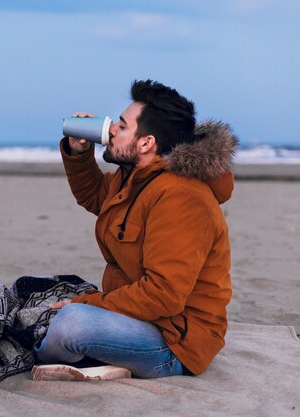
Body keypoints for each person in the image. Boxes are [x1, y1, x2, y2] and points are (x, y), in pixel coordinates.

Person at [34, 79, 237, 378]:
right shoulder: (136, 176)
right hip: (141, 318)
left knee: (71, 323)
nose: (111, 130)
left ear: (146, 142)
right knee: (51, 294)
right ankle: (96, 356)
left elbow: (163, 296)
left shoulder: (181, 197)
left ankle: (40, 353)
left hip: (175, 340)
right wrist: (79, 154)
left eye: (122, 125)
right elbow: (96, 197)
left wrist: (87, 304)